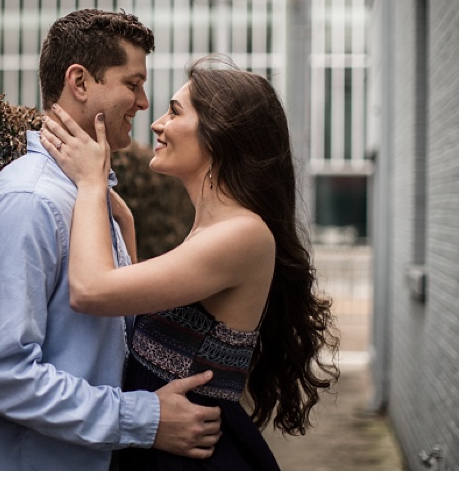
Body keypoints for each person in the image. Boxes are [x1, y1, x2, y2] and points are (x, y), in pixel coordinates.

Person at [39, 54, 340, 470]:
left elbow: (91, 291)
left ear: (218, 136)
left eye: (174, 112)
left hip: (197, 456)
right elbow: (142, 305)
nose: (157, 124)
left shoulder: (242, 234)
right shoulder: (212, 231)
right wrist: (118, 218)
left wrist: (92, 182)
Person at [0, 10, 223, 471]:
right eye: (133, 83)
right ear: (79, 82)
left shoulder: (89, 193)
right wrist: (143, 418)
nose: (144, 103)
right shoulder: (31, 200)